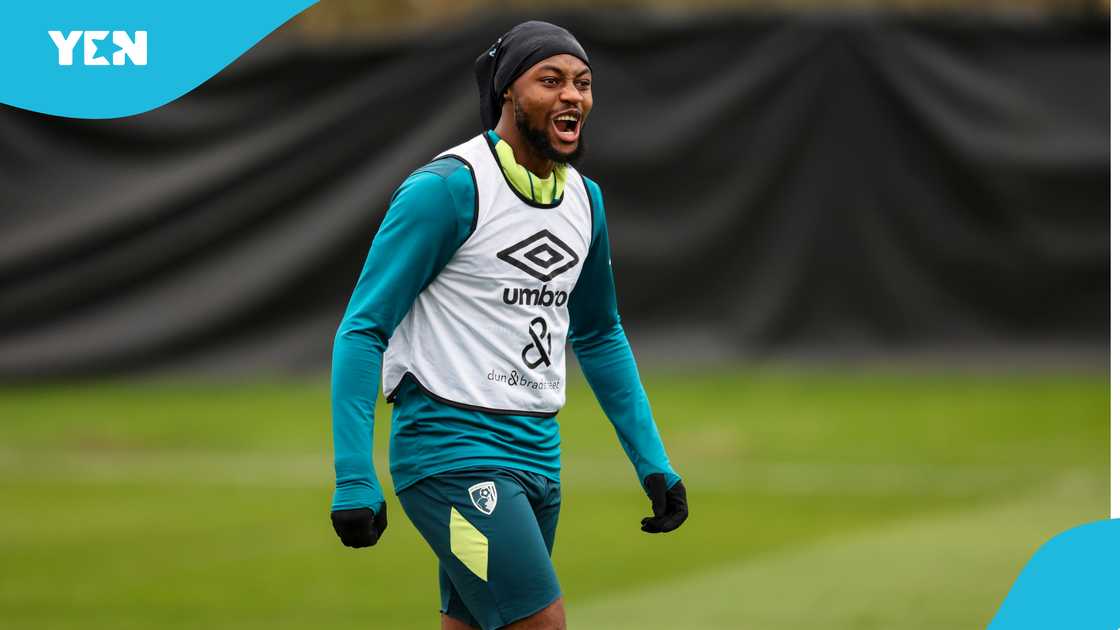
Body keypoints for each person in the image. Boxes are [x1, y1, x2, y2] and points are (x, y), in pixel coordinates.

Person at [329, 20, 687, 630]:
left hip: (538, 460)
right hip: (450, 459)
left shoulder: (585, 201)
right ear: (506, 94)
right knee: (540, 622)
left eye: (582, 82)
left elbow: (599, 334)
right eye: (550, 80)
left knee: (473, 623)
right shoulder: (445, 189)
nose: (572, 95)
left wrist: (653, 461)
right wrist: (353, 476)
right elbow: (363, 330)